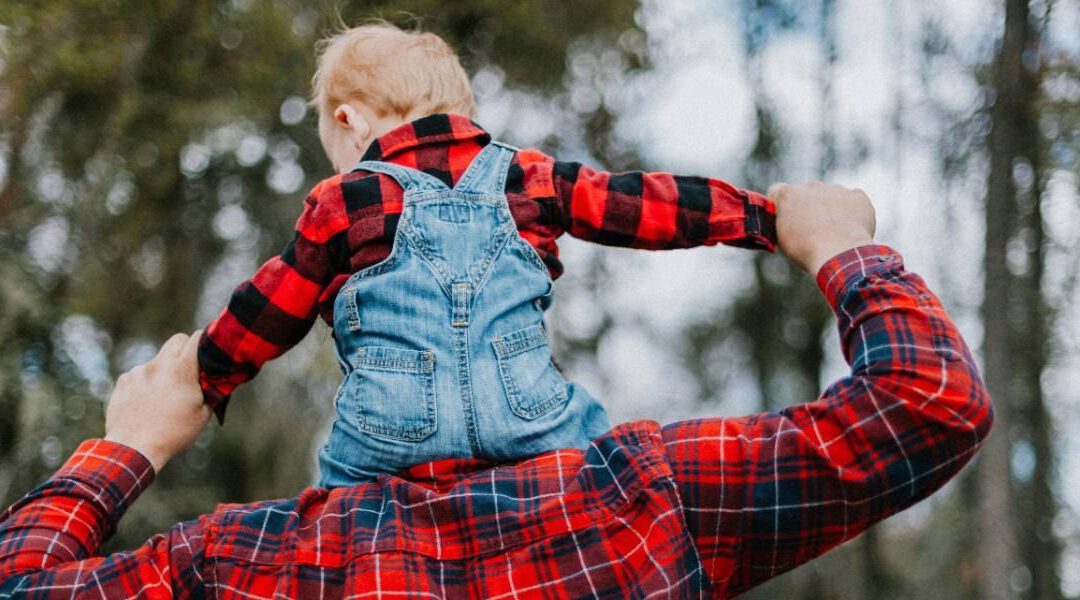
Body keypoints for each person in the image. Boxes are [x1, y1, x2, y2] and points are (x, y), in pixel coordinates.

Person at [0, 183, 992, 598]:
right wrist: (833, 244)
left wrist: (130, 444)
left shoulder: (247, 560)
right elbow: (928, 403)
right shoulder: (646, 500)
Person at [196, 23, 778, 488]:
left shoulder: (342, 202)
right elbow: (642, 204)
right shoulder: (527, 179)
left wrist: (207, 371)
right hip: (536, 429)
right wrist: (755, 215)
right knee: (619, 475)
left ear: (350, 120)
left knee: (329, 524)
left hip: (383, 447)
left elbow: (268, 308)